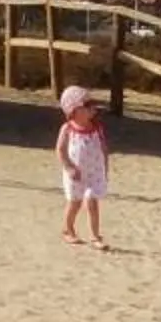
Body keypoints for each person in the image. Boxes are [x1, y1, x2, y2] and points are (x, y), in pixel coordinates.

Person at [56, 84, 111, 249]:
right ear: (74, 110)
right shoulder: (67, 129)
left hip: (94, 172)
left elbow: (103, 148)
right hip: (76, 173)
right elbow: (60, 150)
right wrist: (69, 167)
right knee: (75, 203)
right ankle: (68, 229)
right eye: (87, 106)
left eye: (93, 106)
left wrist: (105, 167)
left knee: (92, 201)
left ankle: (95, 236)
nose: (92, 110)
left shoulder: (97, 128)